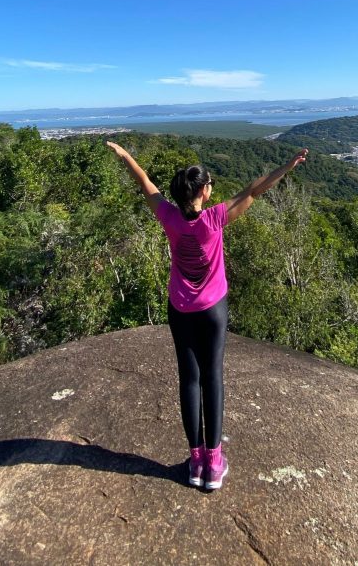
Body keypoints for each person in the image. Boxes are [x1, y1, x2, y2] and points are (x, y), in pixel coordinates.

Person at [106, 140, 308, 489]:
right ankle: (213, 462)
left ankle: (196, 460)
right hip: (213, 309)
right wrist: (286, 168)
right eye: (210, 183)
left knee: (189, 379)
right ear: (203, 191)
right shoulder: (215, 218)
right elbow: (255, 190)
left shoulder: (168, 216)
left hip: (180, 308)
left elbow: (145, 184)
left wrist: (126, 157)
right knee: (213, 377)